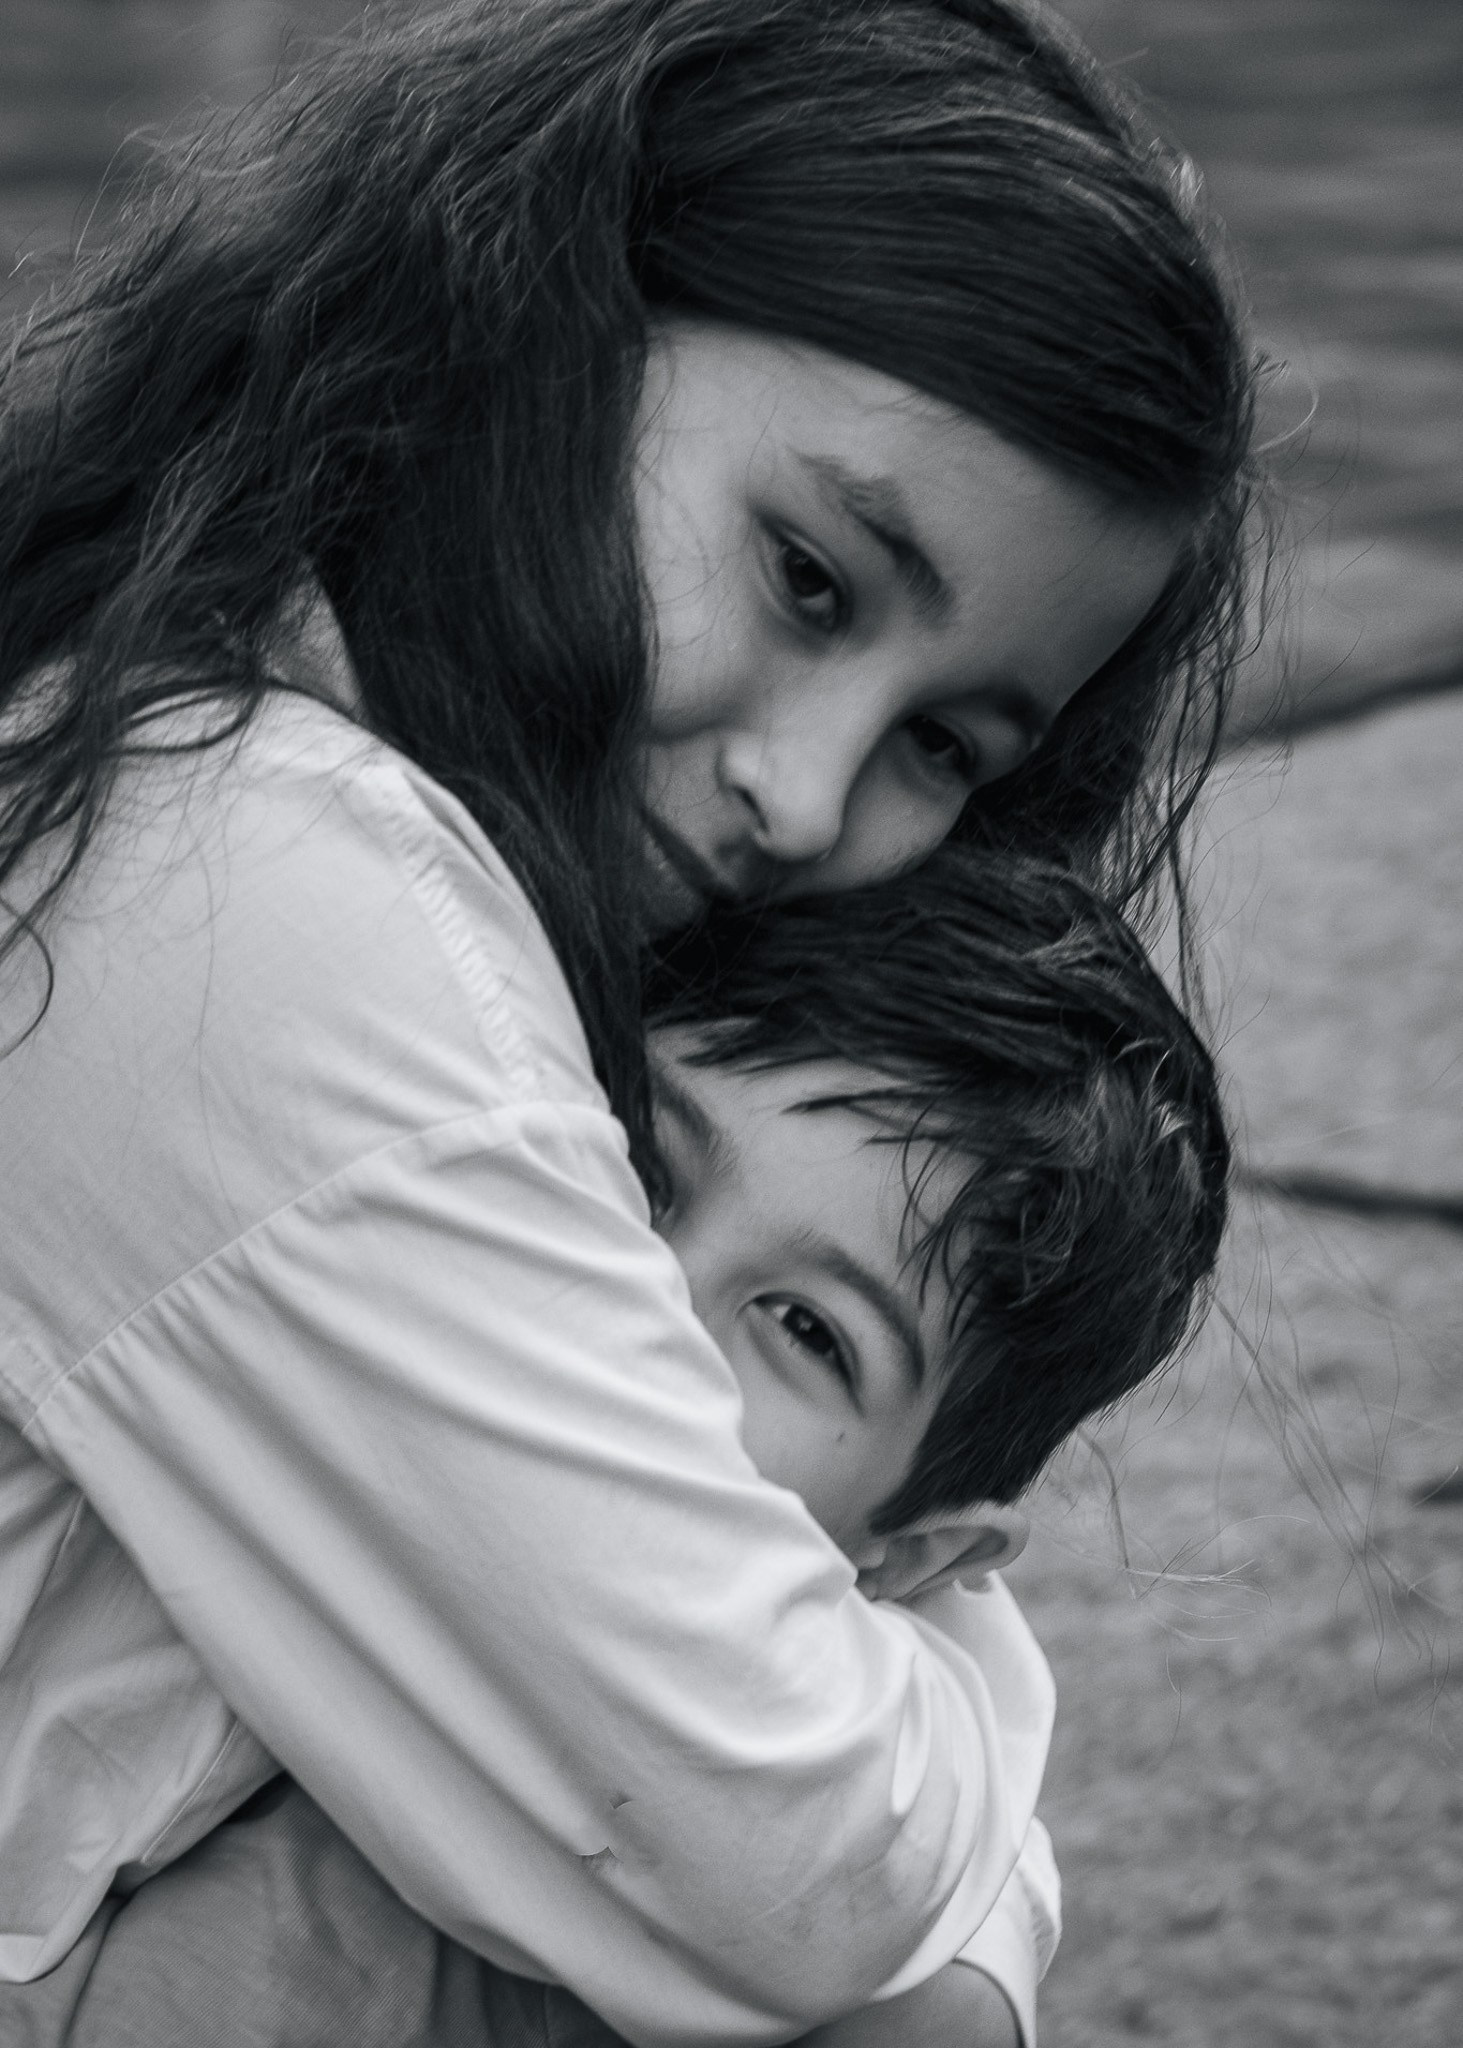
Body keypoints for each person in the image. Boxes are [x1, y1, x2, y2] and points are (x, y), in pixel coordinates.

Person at [0, 0, 1255, 2038]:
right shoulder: (243, 875)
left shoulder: (278, 733)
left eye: (944, 744)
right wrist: (964, 1906)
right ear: (536, 317)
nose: (808, 797)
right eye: (806, 577)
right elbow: (768, 1848)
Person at [10, 844, 1229, 2048]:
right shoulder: (316, 1277)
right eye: (639, 1167)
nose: (651, 1298)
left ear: (912, 1553)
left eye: (805, 1329)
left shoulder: (748, 1875)